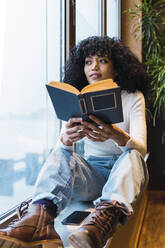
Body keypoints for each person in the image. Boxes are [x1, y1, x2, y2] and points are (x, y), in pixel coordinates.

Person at [0, 36, 150, 248]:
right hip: (93, 177)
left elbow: (142, 149)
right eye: (88, 62)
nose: (94, 67)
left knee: (133, 155)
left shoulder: (133, 97)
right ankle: (39, 220)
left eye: (103, 61)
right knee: (60, 152)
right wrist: (65, 140)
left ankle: (96, 229)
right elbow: (63, 155)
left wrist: (116, 135)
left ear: (117, 68)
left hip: (125, 173)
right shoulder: (78, 100)